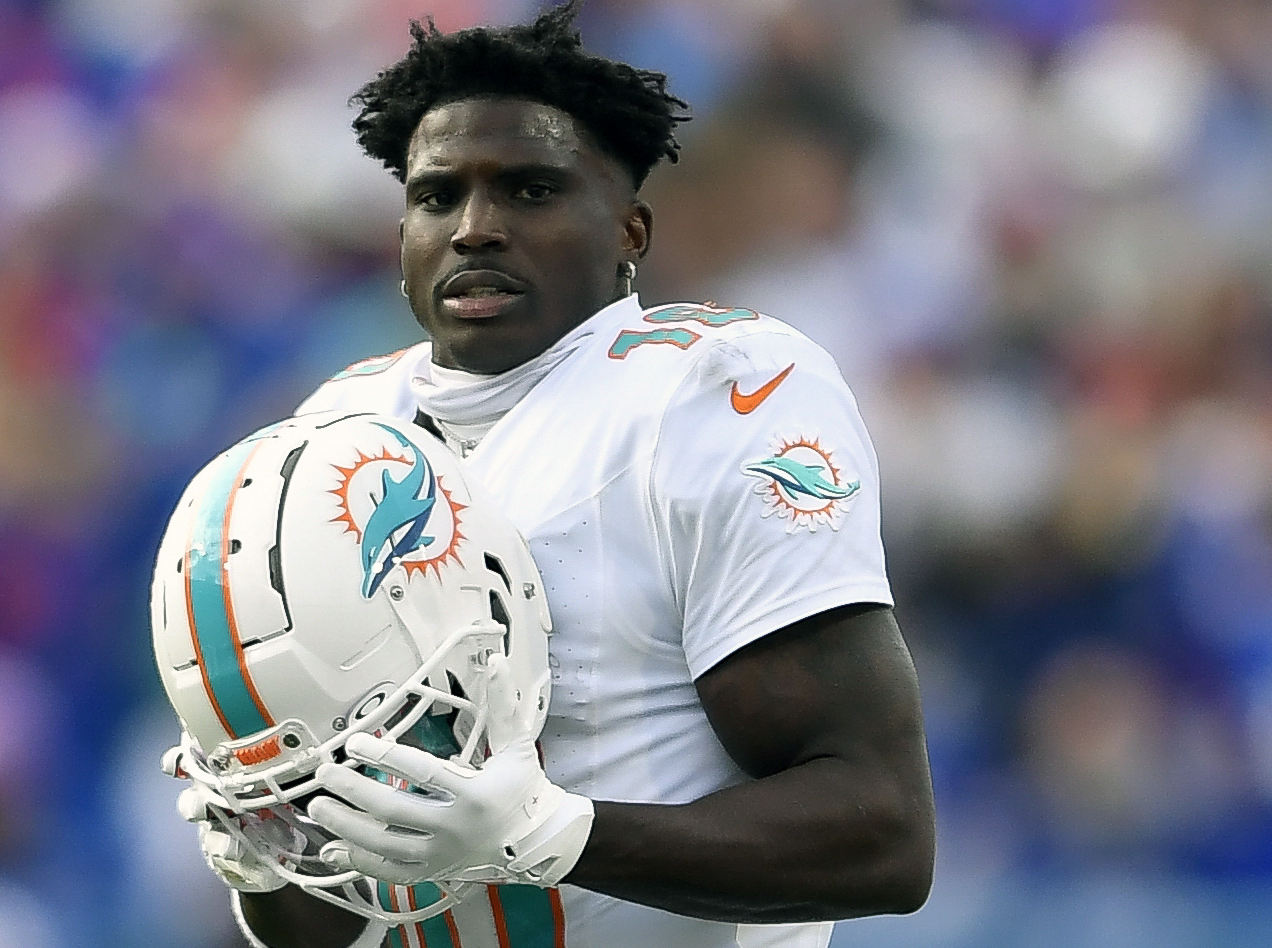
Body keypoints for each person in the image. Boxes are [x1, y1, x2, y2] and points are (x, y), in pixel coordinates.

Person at [207, 3, 936, 946]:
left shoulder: (715, 389)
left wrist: (555, 835)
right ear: (399, 242)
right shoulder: (339, 429)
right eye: (437, 197)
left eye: (531, 190)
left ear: (630, 230)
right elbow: (321, 930)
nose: (475, 228)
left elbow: (883, 836)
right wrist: (267, 849)